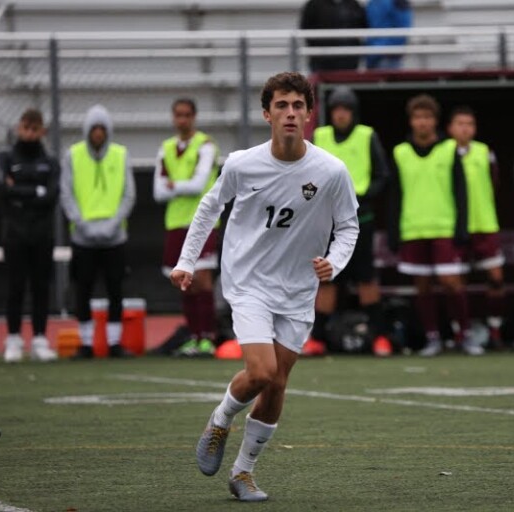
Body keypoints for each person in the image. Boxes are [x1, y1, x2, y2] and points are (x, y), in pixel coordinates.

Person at [170, 72, 358, 502]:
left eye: (297, 106)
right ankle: (220, 420)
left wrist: (336, 261)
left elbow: (348, 226)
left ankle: (243, 473)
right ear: (266, 114)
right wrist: (186, 262)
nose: (290, 113)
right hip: (250, 282)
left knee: (277, 384)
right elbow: (208, 209)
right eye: (281, 106)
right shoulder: (242, 163)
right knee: (261, 371)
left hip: (297, 290)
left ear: (309, 114)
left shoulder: (331, 171)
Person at [388, 94, 477, 356]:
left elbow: (461, 192)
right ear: (411, 121)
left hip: (444, 228)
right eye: (418, 117)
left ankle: (465, 334)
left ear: (435, 121)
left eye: (427, 117)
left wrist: (462, 227)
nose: (423, 122)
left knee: (451, 282)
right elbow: (396, 195)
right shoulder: (400, 152)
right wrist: (394, 231)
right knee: (422, 286)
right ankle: (432, 337)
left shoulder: (450, 149)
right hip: (413, 228)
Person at [310, 86, 390, 356]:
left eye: (345, 110)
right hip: (327, 221)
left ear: (353, 113)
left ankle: (379, 337)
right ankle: (317, 338)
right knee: (327, 277)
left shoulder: (366, 136)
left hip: (360, 219)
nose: (341, 115)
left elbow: (382, 176)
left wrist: (362, 196)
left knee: (366, 278)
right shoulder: (320, 137)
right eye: (336, 109)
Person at [61, 105, 136, 359]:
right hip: (83, 237)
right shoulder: (72, 155)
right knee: (83, 289)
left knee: (116, 289)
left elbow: (129, 194)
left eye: (102, 129)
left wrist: (112, 224)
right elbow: (67, 193)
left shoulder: (120, 154)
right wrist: (82, 224)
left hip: (114, 236)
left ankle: (114, 342)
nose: (98, 134)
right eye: (94, 129)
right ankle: (86, 343)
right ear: (87, 131)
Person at [154, 98, 220, 357]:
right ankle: (193, 336)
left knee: (202, 280)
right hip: (175, 222)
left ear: (194, 117)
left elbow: (198, 184)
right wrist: (182, 185)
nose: (182, 120)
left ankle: (208, 337)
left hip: (202, 220)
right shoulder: (166, 148)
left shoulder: (205, 145)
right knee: (183, 280)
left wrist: (174, 185)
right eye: (178, 115)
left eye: (186, 115)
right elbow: (157, 192)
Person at [0, 108, 60, 363]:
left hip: (42, 233)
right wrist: (36, 191)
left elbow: (52, 196)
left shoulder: (50, 161)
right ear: (18, 128)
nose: (30, 134)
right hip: (15, 233)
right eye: (26, 128)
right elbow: (1, 189)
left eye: (35, 129)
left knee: (41, 286)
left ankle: (40, 339)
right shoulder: (5, 158)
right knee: (15, 286)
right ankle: (12, 338)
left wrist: (19, 190)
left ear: (42, 131)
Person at [447, 106, 506, 350]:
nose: (465, 128)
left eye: (469, 124)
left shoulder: (485, 152)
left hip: (484, 225)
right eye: (460, 123)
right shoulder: (444, 153)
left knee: (496, 280)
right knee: (455, 283)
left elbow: (495, 183)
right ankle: (462, 333)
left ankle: (494, 330)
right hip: (454, 227)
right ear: (450, 128)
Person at [299, 0, 367, 72]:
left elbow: (362, 26)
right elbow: (305, 28)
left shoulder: (353, 4)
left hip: (349, 59)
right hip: (321, 60)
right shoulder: (314, 4)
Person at [365, 0, 413, 70]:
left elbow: (403, 29)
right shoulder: (372, 3)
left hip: (388, 55)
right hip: (373, 55)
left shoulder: (398, 2)